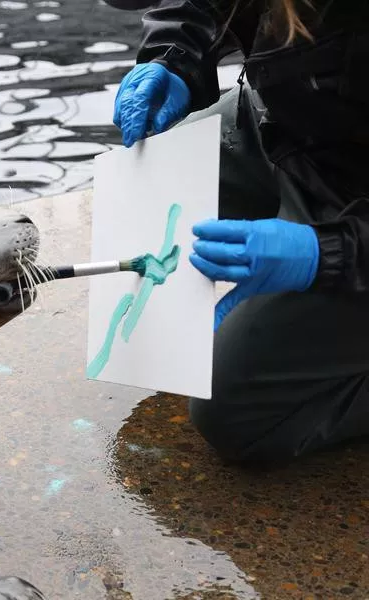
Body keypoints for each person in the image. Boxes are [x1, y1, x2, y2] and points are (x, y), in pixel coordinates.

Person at [106, 0, 369, 466]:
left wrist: (326, 252)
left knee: (233, 411)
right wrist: (175, 56)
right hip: (296, 118)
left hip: (352, 200)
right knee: (155, 181)